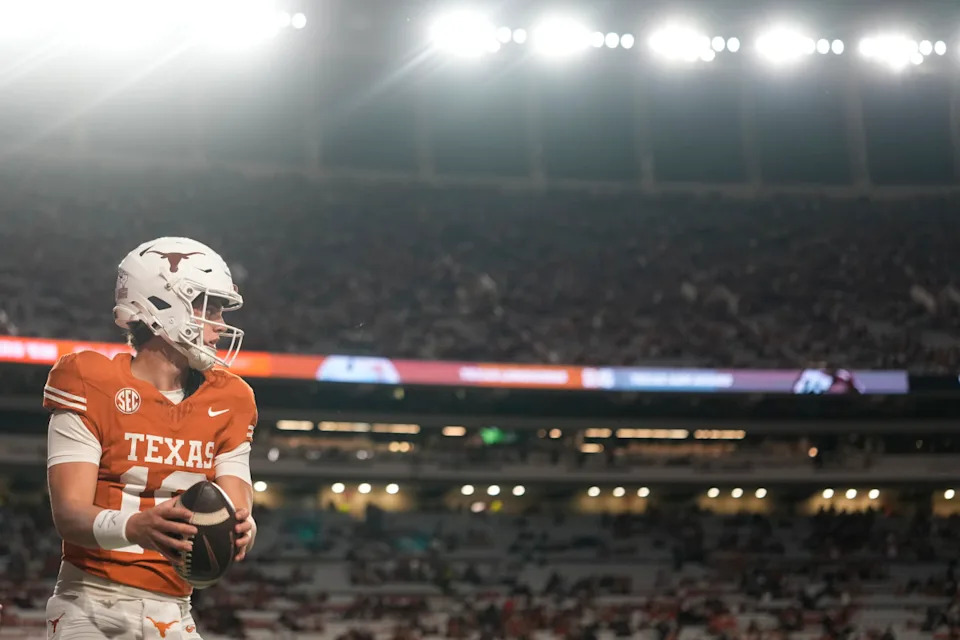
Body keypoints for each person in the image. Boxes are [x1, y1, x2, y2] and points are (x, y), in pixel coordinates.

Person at [43, 237, 259, 639]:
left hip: (174, 609)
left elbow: (235, 497)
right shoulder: (90, 379)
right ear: (161, 304)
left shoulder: (232, 397)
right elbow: (69, 516)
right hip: (89, 600)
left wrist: (242, 525)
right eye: (207, 307)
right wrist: (137, 526)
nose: (219, 326)